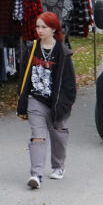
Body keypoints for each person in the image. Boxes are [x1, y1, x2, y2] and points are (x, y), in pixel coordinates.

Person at [17, 11, 76, 189]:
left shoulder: (62, 52)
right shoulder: (31, 48)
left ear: (53, 29)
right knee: (37, 136)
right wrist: (22, 97)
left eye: (44, 27)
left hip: (57, 102)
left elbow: (69, 83)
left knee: (58, 135)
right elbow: (23, 75)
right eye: (37, 26)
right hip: (35, 99)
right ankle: (36, 174)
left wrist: (65, 103)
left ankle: (58, 167)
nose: (40, 30)